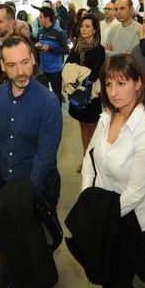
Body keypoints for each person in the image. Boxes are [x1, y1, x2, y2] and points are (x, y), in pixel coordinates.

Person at [0, 36, 62, 288]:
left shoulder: (48, 102)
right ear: (3, 66)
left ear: (33, 59)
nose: (21, 71)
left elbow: (45, 156)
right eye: (13, 65)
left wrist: (25, 197)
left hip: (38, 188)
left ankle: (41, 287)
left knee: (39, 243)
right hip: (5, 186)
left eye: (25, 62)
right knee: (10, 244)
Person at [80, 53, 145, 288]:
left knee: (116, 286)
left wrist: (101, 216)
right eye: (108, 84)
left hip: (130, 221)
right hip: (104, 213)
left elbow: (136, 193)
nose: (113, 92)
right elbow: (89, 158)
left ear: (138, 83)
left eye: (121, 83)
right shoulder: (107, 116)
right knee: (110, 273)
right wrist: (87, 197)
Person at [65, 14, 105, 171]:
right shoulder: (76, 46)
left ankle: (94, 160)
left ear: (95, 30)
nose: (84, 29)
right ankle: (85, 157)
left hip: (91, 95)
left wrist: (80, 79)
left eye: (88, 26)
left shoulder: (99, 49)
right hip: (77, 92)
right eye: (82, 26)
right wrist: (74, 80)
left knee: (93, 128)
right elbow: (67, 65)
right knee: (82, 126)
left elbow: (95, 72)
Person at [35, 6, 69, 103]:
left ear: (47, 18)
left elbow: (66, 50)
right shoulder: (40, 31)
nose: (39, 19)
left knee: (56, 94)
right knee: (42, 93)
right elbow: (38, 45)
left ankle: (57, 115)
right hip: (43, 69)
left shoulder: (59, 32)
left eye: (41, 17)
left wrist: (50, 49)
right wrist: (37, 47)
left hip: (55, 70)